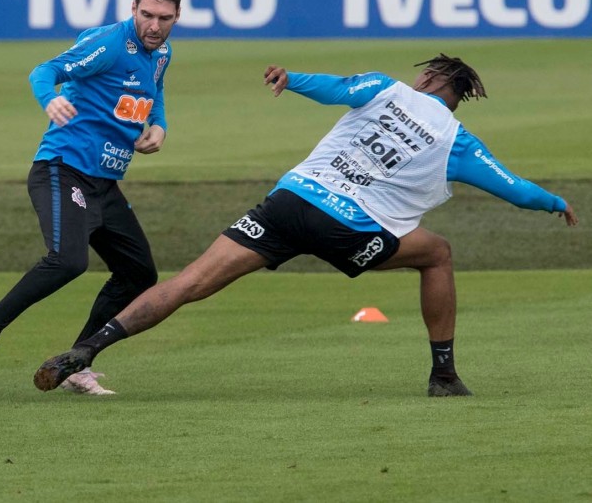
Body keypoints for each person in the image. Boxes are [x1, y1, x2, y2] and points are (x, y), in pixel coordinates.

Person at [33, 54, 579, 397]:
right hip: (351, 230)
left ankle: (87, 349)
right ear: (459, 98)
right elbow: (512, 187)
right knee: (436, 253)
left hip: (290, 203)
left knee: (188, 283)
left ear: (431, 76)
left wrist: (291, 79)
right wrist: (553, 201)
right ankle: (443, 375)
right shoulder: (459, 140)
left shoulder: (385, 88)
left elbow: (334, 86)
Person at [0, 0, 183, 395]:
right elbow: (46, 70)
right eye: (147, 15)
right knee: (67, 260)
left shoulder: (162, 52)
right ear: (133, 9)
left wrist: (160, 125)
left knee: (138, 272)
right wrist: (51, 98)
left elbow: (158, 91)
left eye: (164, 18)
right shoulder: (110, 44)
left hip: (104, 182)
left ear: (177, 16)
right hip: (62, 168)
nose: (154, 26)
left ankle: (79, 361)